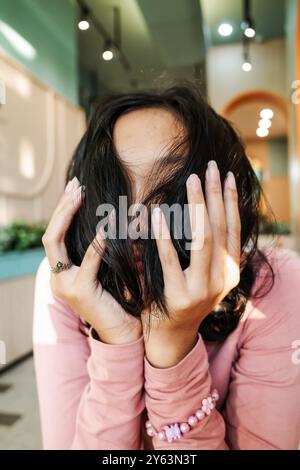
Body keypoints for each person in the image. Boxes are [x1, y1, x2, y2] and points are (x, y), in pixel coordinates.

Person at [33, 85, 300, 450]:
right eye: (116, 193)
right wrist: (117, 339)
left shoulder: (277, 283)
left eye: (170, 190)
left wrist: (172, 350)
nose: (136, 223)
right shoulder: (63, 282)